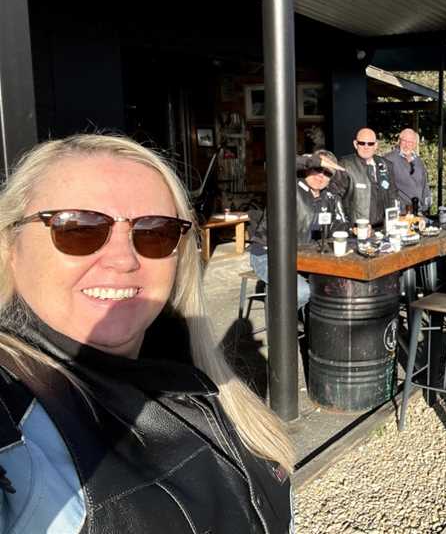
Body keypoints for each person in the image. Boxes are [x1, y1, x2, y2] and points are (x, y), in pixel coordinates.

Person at [0, 134, 296, 532]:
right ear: (9, 246)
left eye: (155, 232)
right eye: (78, 229)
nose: (124, 260)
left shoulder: (196, 374)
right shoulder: (14, 418)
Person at [249, 150, 346, 310]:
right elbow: (278, 162)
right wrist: (313, 160)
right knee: (301, 292)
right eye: (317, 169)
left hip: (305, 258)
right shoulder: (287, 186)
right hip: (269, 255)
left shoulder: (329, 197)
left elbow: (339, 226)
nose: (321, 176)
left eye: (327, 173)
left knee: (338, 287)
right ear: (306, 168)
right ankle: (285, 330)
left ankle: (313, 326)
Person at [335, 128, 398, 227]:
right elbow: (335, 197)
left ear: (376, 145)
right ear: (355, 144)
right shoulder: (345, 165)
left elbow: (393, 195)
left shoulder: (386, 165)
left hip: (383, 228)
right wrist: (346, 225)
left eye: (370, 144)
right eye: (362, 143)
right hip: (357, 229)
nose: (366, 147)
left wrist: (394, 222)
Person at [384, 128, 432, 214]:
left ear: (415, 144)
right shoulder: (389, 159)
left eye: (410, 142)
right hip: (401, 213)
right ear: (399, 141)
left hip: (419, 211)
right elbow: (385, 188)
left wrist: (426, 207)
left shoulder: (418, 160)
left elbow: (425, 185)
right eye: (404, 141)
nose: (407, 145)